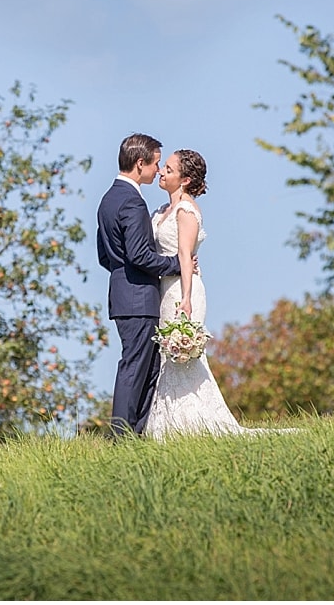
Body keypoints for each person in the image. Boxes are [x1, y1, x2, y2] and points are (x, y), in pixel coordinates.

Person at [144, 149, 276, 440]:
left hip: (182, 291)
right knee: (167, 358)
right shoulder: (160, 211)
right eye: (162, 167)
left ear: (186, 179)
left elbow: (184, 255)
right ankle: (166, 426)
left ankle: (189, 426)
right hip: (163, 291)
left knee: (182, 359)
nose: (162, 172)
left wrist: (187, 300)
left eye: (168, 169)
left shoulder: (186, 211)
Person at [96, 134, 184, 436]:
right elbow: (139, 255)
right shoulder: (132, 202)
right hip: (138, 298)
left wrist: (122, 275)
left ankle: (134, 433)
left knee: (146, 367)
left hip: (122, 295)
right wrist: (176, 264)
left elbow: (104, 256)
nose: (158, 170)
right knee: (136, 368)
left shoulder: (108, 199)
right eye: (156, 164)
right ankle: (123, 435)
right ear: (139, 163)